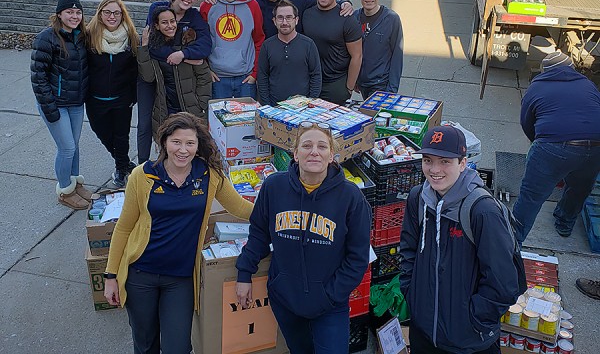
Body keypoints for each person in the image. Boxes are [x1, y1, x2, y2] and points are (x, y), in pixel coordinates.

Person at [103, 112, 253, 354]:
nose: (183, 150)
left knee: (178, 347)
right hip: (141, 274)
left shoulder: (209, 175)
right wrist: (110, 276)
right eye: (176, 142)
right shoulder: (142, 175)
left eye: (190, 143)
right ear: (164, 142)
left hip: (180, 278)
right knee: (145, 344)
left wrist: (278, 213)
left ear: (198, 146)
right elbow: (123, 228)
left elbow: (239, 207)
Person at [235, 122, 371, 353]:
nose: (314, 151)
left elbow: (358, 257)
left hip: (330, 304)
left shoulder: (351, 197)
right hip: (285, 299)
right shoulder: (273, 187)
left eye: (322, 146)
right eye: (306, 145)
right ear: (296, 154)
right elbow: (258, 232)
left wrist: (331, 294)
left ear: (331, 156)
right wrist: (244, 273)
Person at [399, 125, 520, 354]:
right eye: (428, 160)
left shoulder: (482, 211)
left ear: (462, 163)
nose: (435, 169)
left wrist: (474, 320)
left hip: (469, 341)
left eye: (445, 161)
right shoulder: (417, 199)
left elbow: (503, 282)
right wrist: (412, 294)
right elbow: (408, 250)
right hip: (424, 333)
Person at [512, 51, 600, 244]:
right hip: (595, 147)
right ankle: (564, 223)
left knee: (531, 196)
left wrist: (543, 149)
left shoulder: (537, 87)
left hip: (554, 146)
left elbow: (527, 123)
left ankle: (511, 243)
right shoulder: (587, 84)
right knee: (580, 187)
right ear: (571, 68)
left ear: (545, 70)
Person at [137, 0, 211, 164]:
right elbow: (152, 46)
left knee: (188, 127)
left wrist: (184, 55)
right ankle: (143, 166)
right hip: (156, 76)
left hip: (180, 81)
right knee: (147, 124)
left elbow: (205, 46)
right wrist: (184, 56)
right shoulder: (158, 9)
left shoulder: (193, 16)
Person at [31, 0, 93, 210]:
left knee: (74, 146)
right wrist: (49, 108)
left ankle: (75, 183)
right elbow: (38, 78)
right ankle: (65, 190)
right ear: (59, 14)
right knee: (66, 148)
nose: (74, 16)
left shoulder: (81, 37)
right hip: (55, 103)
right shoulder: (46, 38)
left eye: (78, 12)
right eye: (69, 12)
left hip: (75, 103)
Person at [86, 0, 139, 188]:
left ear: (122, 15)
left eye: (116, 12)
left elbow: (136, 70)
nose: (112, 16)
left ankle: (120, 169)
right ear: (100, 14)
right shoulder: (89, 37)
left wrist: (133, 96)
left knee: (121, 136)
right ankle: (125, 164)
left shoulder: (131, 37)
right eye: (107, 12)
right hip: (95, 100)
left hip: (121, 99)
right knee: (103, 134)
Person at [138, 7, 212, 139]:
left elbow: (204, 76)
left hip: (191, 106)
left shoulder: (188, 43)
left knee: (193, 145)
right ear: (157, 25)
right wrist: (144, 47)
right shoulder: (153, 48)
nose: (170, 26)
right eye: (164, 22)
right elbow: (148, 77)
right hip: (167, 107)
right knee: (170, 145)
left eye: (172, 21)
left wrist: (201, 102)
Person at [199, 0, 265, 100]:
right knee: (218, 122)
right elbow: (200, 40)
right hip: (218, 78)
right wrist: (206, 69)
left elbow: (259, 40)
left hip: (245, 78)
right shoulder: (207, 5)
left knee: (248, 121)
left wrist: (254, 74)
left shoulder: (252, 6)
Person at [302, 0, 363, 106]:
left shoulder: (347, 19)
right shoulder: (307, 14)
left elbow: (357, 56)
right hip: (310, 83)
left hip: (336, 85)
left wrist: (349, 87)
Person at [257, 0, 321, 105]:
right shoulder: (267, 46)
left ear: (296, 20)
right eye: (280, 18)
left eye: (289, 17)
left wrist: (311, 102)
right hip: (275, 107)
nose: (284, 22)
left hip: (303, 108)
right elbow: (262, 77)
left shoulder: (308, 45)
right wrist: (267, 105)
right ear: (274, 20)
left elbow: (316, 75)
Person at [354, 0, 404, 100]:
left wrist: (392, 89)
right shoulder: (354, 18)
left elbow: (397, 56)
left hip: (381, 85)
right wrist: (354, 79)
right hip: (362, 84)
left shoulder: (392, 19)